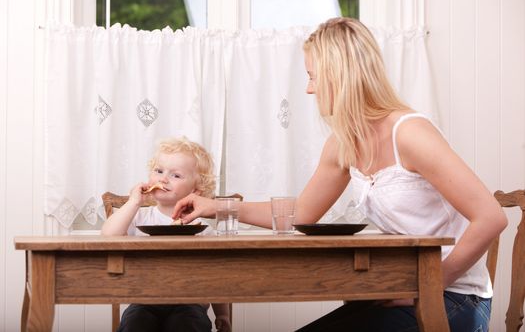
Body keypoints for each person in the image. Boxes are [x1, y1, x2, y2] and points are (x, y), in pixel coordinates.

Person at [172, 17, 508, 332]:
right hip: (403, 290)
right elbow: (301, 214)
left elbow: (491, 218)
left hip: (456, 298)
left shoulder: (410, 133)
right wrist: (214, 206)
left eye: (313, 76)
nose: (309, 89)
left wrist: (429, 285)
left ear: (340, 75)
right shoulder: (342, 144)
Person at [101, 136, 231, 332]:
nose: (163, 179)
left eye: (176, 175)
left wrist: (222, 314)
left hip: (191, 304)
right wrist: (134, 202)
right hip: (144, 302)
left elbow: (216, 275)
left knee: (188, 325)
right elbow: (108, 237)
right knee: (134, 324)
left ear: (195, 189)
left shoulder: (201, 226)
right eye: (159, 171)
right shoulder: (138, 217)